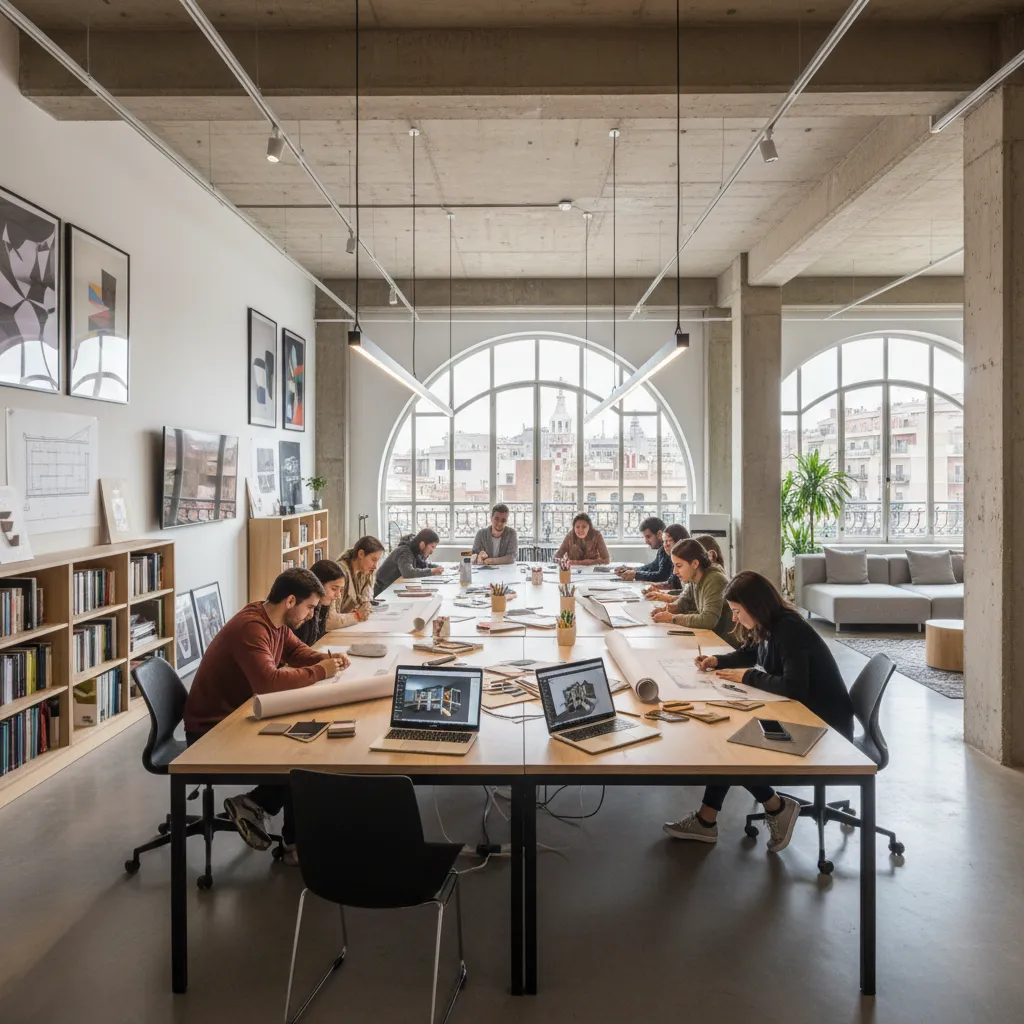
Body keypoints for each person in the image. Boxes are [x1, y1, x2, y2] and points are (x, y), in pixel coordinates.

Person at [663, 570, 854, 852]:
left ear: (755, 606)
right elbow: (750, 653)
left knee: (734, 750)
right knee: (728, 740)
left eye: (738, 611)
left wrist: (746, 677)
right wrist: (718, 660)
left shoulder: (790, 630)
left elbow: (794, 687)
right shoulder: (769, 625)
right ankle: (711, 820)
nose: (736, 618)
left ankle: (769, 809)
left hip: (824, 725)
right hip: (801, 711)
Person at [183, 568, 350, 865]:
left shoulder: (271, 619)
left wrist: (326, 658)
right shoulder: (252, 628)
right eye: (310, 607)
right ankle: (293, 845)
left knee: (306, 742)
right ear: (289, 601)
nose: (312, 615)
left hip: (239, 714)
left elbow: (297, 653)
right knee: (300, 754)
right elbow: (268, 683)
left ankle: (256, 804)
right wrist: (319, 672)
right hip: (213, 729)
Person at [650, 538, 733, 642]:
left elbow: (708, 620)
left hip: (724, 644)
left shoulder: (714, 579)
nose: (675, 572)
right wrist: (669, 609)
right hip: (709, 638)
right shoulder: (693, 577)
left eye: (679, 566)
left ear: (694, 564)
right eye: (674, 566)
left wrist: (672, 618)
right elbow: (684, 601)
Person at [373, 528, 444, 596]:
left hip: (390, 589)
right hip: (380, 592)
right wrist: (432, 571)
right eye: (432, 547)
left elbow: (423, 564)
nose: (432, 551)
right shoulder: (405, 551)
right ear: (422, 544)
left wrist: (437, 567)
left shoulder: (414, 550)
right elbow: (408, 572)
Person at [615, 516, 672, 582]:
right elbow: (653, 566)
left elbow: (662, 576)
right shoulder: (662, 549)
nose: (646, 541)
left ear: (659, 534)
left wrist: (636, 575)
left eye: (648, 536)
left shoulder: (668, 549)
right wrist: (634, 569)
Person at [643, 524, 691, 598]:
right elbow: (672, 583)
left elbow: (689, 595)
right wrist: (654, 587)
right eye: (664, 541)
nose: (666, 545)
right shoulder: (674, 558)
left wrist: (665, 596)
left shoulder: (688, 561)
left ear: (680, 541)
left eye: (669, 541)